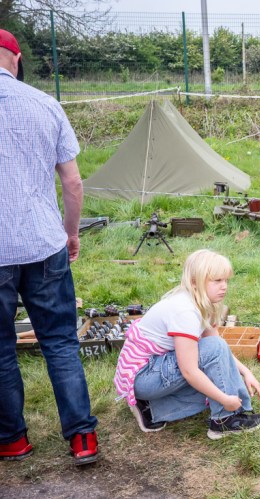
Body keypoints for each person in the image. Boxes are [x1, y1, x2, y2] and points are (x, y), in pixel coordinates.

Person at [0, 29, 99, 466]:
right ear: (15, 59)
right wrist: (70, 232)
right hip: (43, 243)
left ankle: (13, 440)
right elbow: (73, 182)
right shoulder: (45, 104)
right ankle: (82, 439)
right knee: (60, 341)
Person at [114, 249, 260, 440]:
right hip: (144, 375)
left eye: (226, 280)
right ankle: (223, 420)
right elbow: (189, 370)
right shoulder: (185, 311)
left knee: (217, 375)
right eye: (217, 281)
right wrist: (225, 399)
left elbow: (218, 347)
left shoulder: (202, 302)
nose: (224, 286)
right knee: (214, 381)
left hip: (153, 369)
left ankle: (151, 410)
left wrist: (245, 372)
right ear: (195, 282)